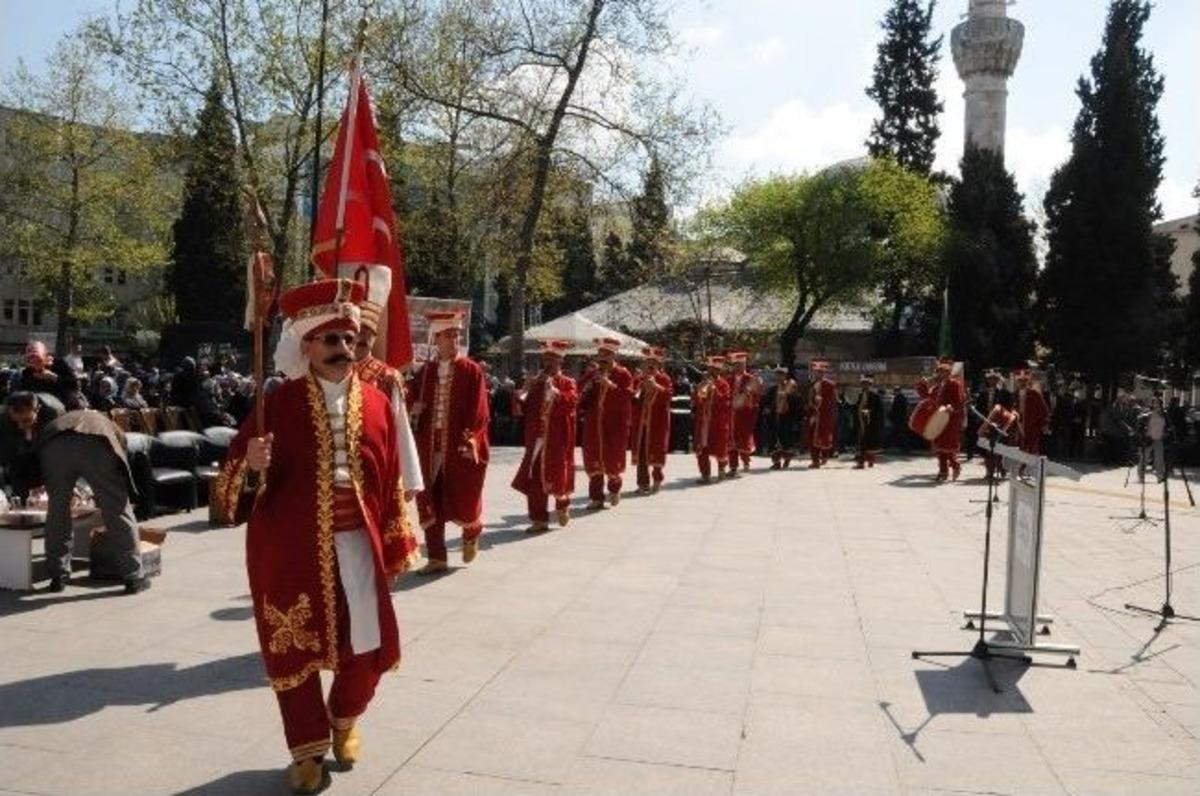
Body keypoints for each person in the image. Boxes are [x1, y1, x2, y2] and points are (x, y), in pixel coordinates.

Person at [211, 279, 409, 794]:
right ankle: (307, 750)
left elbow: (388, 481)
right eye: (329, 341)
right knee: (294, 651)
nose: (343, 350)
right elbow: (232, 482)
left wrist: (395, 540)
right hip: (289, 549)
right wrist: (251, 466)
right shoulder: (277, 403)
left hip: (358, 546)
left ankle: (345, 717)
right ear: (305, 345)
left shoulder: (379, 404)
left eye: (348, 339)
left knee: (366, 645)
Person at [0, 391, 149, 594]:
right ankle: (133, 577)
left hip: (54, 447)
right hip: (97, 442)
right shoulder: (108, 426)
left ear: (37, 410)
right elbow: (119, 449)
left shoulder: (53, 411)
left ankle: (57, 576)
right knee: (117, 509)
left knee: (58, 511)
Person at [351, 274, 423, 571]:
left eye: (368, 332)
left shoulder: (386, 375)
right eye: (358, 332)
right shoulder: (334, 372)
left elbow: (400, 426)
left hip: (379, 461)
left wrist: (409, 474)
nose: (362, 338)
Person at [408, 310, 489, 575]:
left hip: (459, 443)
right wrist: (414, 408)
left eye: (456, 335)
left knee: (465, 493)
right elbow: (410, 400)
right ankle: (437, 557)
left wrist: (472, 439)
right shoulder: (426, 373)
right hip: (429, 446)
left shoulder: (471, 370)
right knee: (430, 498)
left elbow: (479, 411)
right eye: (447, 336)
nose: (453, 341)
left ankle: (471, 530)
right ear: (437, 339)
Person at [512, 339, 577, 532]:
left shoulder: (568, 382)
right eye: (546, 358)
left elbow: (571, 403)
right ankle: (539, 519)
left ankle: (562, 502)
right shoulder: (537, 381)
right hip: (536, 437)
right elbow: (526, 407)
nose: (548, 362)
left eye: (553, 359)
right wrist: (524, 391)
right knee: (534, 478)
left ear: (560, 362)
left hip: (557, 438)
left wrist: (555, 391)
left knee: (556, 474)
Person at [578, 338, 633, 509]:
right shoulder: (591, 374)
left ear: (614, 356)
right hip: (594, 423)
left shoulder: (623, 374)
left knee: (612, 456)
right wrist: (588, 386)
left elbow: (628, 396)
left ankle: (614, 488)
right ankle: (596, 498)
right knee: (593, 458)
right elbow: (578, 394)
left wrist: (610, 384)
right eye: (600, 355)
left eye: (606, 355)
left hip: (614, 423)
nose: (602, 359)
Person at [630, 346, 673, 494]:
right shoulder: (639, 379)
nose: (649, 364)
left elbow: (668, 396)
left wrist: (656, 386)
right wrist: (637, 391)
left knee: (657, 450)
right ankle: (643, 483)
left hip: (657, 422)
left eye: (653, 362)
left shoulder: (664, 378)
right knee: (641, 454)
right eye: (647, 361)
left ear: (658, 364)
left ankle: (657, 480)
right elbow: (632, 398)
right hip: (641, 422)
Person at [915, 358, 966, 481]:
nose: (941, 374)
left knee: (947, 447)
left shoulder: (955, 384)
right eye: (939, 371)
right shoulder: (937, 387)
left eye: (943, 371)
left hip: (950, 419)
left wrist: (951, 407)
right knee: (939, 447)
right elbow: (927, 396)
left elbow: (959, 401)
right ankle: (943, 471)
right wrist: (922, 384)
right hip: (938, 419)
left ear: (949, 373)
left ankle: (955, 465)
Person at [691, 355, 732, 483]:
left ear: (719, 371)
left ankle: (721, 470)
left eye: (714, 369)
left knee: (720, 445)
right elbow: (697, 402)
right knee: (701, 447)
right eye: (710, 368)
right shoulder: (703, 382)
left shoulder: (724, 384)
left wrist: (714, 390)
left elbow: (725, 402)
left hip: (717, 421)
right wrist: (699, 389)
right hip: (703, 420)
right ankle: (705, 474)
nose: (711, 371)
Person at [725, 352, 761, 476]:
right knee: (731, 439)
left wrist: (749, 394)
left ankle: (746, 462)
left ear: (745, 365)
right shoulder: (728, 379)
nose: (738, 367)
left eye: (741, 364)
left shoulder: (751, 379)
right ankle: (733, 467)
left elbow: (757, 397)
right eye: (736, 365)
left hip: (745, 414)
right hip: (731, 414)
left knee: (744, 438)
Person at [763, 366, 802, 469]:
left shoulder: (791, 387)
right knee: (773, 440)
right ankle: (776, 462)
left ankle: (787, 459)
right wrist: (767, 408)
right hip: (774, 418)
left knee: (786, 440)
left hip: (787, 418)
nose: (779, 377)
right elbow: (767, 402)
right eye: (777, 374)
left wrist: (787, 397)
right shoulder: (773, 389)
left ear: (785, 376)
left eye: (781, 374)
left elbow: (798, 402)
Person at [808, 360, 837, 468]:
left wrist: (822, 401)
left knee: (824, 436)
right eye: (816, 372)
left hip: (825, 415)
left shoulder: (829, 384)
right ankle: (815, 460)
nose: (817, 374)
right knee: (812, 437)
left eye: (820, 372)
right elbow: (809, 399)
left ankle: (824, 456)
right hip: (814, 414)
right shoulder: (812, 384)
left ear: (823, 373)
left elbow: (832, 401)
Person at [853, 375, 885, 468]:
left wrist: (869, 411)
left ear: (870, 385)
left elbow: (879, 410)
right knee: (861, 442)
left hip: (871, 423)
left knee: (870, 443)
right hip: (860, 422)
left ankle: (870, 460)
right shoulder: (860, 395)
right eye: (863, 384)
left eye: (867, 384)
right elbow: (856, 407)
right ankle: (861, 462)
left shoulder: (875, 396)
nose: (865, 386)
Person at [1015, 369, 1048, 457]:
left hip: (1032, 427)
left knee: (1031, 453)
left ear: (1028, 381)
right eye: (1020, 381)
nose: (1022, 383)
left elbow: (1043, 411)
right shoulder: (1014, 394)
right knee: (1017, 452)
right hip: (1017, 427)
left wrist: (1039, 424)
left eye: (1024, 381)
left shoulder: (1035, 394)